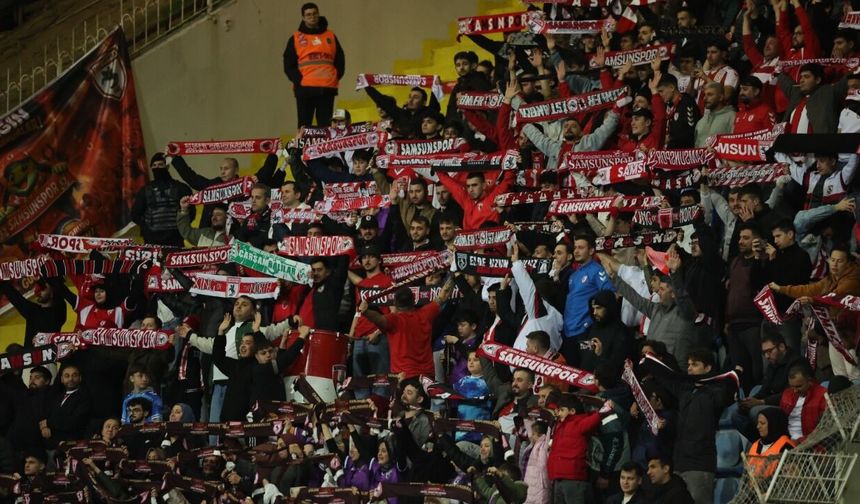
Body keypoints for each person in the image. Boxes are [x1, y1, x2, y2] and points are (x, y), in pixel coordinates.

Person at [359, 279, 453, 380]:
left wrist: (365, 311)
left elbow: (378, 318)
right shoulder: (426, 314)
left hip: (403, 377)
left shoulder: (394, 320)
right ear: (414, 300)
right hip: (426, 377)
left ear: (395, 302)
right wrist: (453, 274)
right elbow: (443, 295)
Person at [283, 2, 345, 127]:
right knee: (304, 127)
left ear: (318, 14)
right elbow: (288, 63)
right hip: (305, 89)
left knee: (325, 127)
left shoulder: (330, 36)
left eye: (314, 13)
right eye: (308, 14)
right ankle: (302, 148)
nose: (312, 17)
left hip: (327, 88)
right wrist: (298, 80)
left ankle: (323, 148)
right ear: (303, 17)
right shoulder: (296, 38)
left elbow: (340, 58)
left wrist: (335, 76)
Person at [562, 235, 614, 366]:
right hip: (568, 330)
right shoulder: (573, 275)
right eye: (575, 248)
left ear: (591, 251)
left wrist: (594, 322)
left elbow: (609, 294)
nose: (576, 251)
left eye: (581, 248)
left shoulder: (596, 270)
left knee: (586, 371)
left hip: (586, 331)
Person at [131, 152, 192, 247]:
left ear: (167, 167)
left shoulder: (181, 188)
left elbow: (191, 212)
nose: (157, 168)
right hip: (151, 239)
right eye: (154, 165)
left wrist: (181, 228)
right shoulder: (144, 191)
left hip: (175, 238)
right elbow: (135, 214)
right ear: (151, 168)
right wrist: (147, 229)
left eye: (160, 164)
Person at [779, 364, 827, 442]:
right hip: (785, 440)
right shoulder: (787, 393)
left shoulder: (823, 395)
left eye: (798, 386)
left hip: (809, 442)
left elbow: (825, 427)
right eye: (792, 386)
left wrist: (800, 441)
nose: (795, 391)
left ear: (809, 381)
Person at [747, 408, 795, 478]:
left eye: (762, 423)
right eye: (758, 423)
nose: (758, 427)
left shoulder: (786, 446)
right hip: (750, 487)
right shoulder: (755, 444)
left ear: (774, 424)